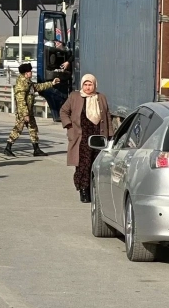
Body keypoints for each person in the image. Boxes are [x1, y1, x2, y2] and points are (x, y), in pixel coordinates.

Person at [61, 74, 114, 203]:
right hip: (81, 136)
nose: (87, 87)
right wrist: (69, 126)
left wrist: (111, 134)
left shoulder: (100, 97)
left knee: (96, 164)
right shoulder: (75, 96)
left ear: (94, 85)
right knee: (83, 164)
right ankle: (83, 190)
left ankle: (94, 189)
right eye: (85, 84)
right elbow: (64, 111)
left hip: (98, 137)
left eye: (90, 85)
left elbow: (107, 116)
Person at [6, 62, 59, 157]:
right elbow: (21, 100)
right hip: (23, 112)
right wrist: (25, 114)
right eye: (30, 71)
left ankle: (36, 149)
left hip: (28, 112)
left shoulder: (28, 83)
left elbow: (38, 87)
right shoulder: (21, 84)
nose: (31, 73)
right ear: (26, 73)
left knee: (33, 129)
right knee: (18, 129)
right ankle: (8, 147)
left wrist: (52, 83)